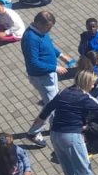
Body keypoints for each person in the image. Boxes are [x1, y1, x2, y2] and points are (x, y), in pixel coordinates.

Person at [27, 70, 98, 175]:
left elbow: (49, 106)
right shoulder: (84, 98)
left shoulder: (64, 92)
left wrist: (39, 121)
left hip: (55, 135)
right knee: (82, 166)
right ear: (86, 83)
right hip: (71, 136)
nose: (93, 86)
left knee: (67, 166)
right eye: (92, 84)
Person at [21, 10, 73, 138]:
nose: (49, 31)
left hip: (49, 73)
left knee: (53, 101)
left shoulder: (41, 31)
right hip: (41, 77)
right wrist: (55, 68)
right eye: (47, 28)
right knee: (51, 106)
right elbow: (33, 63)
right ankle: (33, 132)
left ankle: (54, 124)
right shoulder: (30, 39)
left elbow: (48, 45)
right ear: (38, 23)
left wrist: (61, 55)